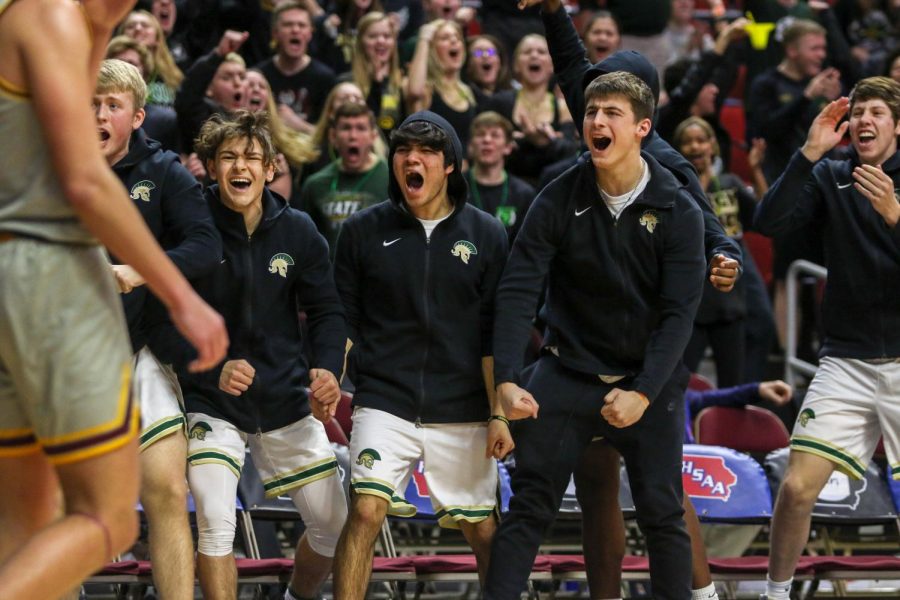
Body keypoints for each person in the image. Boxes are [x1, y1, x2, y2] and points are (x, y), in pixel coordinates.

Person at [0, 0, 227, 598]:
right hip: (43, 275)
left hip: (32, 292)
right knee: (108, 517)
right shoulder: (48, 15)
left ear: (136, 115)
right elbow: (82, 179)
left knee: (24, 524)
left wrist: (101, 32)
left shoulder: (63, 27)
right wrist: (182, 296)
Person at [484, 70, 706, 600]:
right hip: (568, 368)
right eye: (590, 112)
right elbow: (517, 292)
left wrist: (644, 392)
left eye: (612, 113)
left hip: (646, 375)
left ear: (642, 129)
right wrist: (508, 380)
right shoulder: (558, 197)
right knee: (530, 504)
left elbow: (679, 317)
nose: (597, 122)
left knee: (661, 511)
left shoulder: (679, 209)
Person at [146, 110, 348, 600]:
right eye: (229, 157)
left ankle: (296, 597)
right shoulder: (192, 229)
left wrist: (326, 369)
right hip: (211, 401)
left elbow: (327, 312)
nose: (242, 166)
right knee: (216, 520)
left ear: (271, 167)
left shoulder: (298, 230)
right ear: (212, 168)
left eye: (252, 157)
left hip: (283, 399)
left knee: (335, 524)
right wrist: (214, 367)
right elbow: (157, 315)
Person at [332, 111, 511, 598]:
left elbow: (497, 335)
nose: (413, 159)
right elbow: (342, 320)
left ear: (450, 165)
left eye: (427, 152)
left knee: (483, 531)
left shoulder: (488, 234)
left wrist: (499, 413)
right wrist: (329, 373)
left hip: (464, 405)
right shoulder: (362, 233)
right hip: (385, 398)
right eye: (403, 150)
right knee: (366, 509)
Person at [754, 76, 900, 600]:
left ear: (898, 127)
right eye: (857, 112)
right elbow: (768, 223)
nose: (864, 120)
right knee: (795, 489)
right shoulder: (833, 175)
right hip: (846, 361)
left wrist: (896, 217)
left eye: (877, 112)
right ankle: (775, 595)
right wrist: (808, 154)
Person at [94, 58, 223, 600]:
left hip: (140, 349)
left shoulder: (164, 171)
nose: (96, 114)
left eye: (110, 106)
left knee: (168, 490)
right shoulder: (50, 168)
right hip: (65, 354)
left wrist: (137, 269)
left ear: (138, 116)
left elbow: (205, 247)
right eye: (88, 104)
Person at [576, 378, 793, 600]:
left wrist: (757, 389)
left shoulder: (678, 392)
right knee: (646, 494)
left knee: (748, 509)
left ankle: (705, 590)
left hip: (691, 481)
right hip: (644, 482)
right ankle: (697, 585)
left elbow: (718, 397)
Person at [299, 102, 388, 253]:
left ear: (373, 136)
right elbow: (306, 243)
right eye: (346, 128)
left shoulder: (391, 179)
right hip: (330, 273)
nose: (353, 136)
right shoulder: (315, 185)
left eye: (361, 128)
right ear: (333, 136)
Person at [255, 1, 337, 135]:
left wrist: (299, 125)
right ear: (275, 33)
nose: (295, 30)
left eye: (302, 25)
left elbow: (332, 137)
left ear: (310, 33)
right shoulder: (259, 76)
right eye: (288, 25)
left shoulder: (325, 79)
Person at [405, 19, 478, 149]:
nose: (454, 41)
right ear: (432, 49)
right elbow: (414, 91)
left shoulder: (466, 91)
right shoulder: (426, 89)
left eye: (457, 37)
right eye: (445, 38)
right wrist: (424, 40)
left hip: (463, 169)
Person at [465, 111, 536, 242]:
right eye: (480, 134)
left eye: (495, 135)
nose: (487, 140)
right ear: (470, 146)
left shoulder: (523, 194)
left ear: (508, 147)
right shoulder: (454, 186)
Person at [350, 11, 406, 139]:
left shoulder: (403, 81)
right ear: (361, 42)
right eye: (373, 36)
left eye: (387, 36)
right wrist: (375, 81)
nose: (381, 41)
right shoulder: (347, 82)